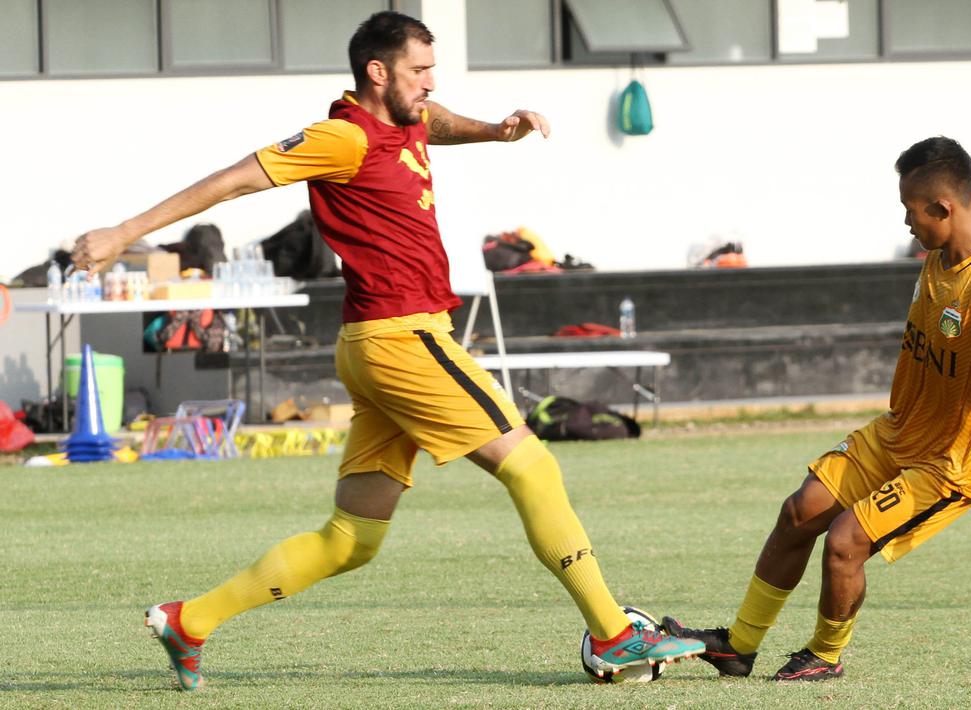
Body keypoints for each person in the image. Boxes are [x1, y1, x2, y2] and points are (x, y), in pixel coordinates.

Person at [70, 11, 703, 691]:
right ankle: (612, 634)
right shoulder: (340, 137)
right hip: (402, 337)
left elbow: (437, 122)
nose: (430, 83)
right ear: (378, 72)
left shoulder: (408, 118)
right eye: (418, 71)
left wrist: (495, 130)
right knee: (533, 468)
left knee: (351, 539)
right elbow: (234, 180)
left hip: (375, 346)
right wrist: (122, 233)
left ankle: (189, 620)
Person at [662, 136, 971, 682]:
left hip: (946, 465)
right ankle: (737, 646)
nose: (906, 222)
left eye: (911, 210)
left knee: (844, 542)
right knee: (798, 511)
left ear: (943, 208)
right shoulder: (936, 259)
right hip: (896, 433)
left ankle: (825, 654)